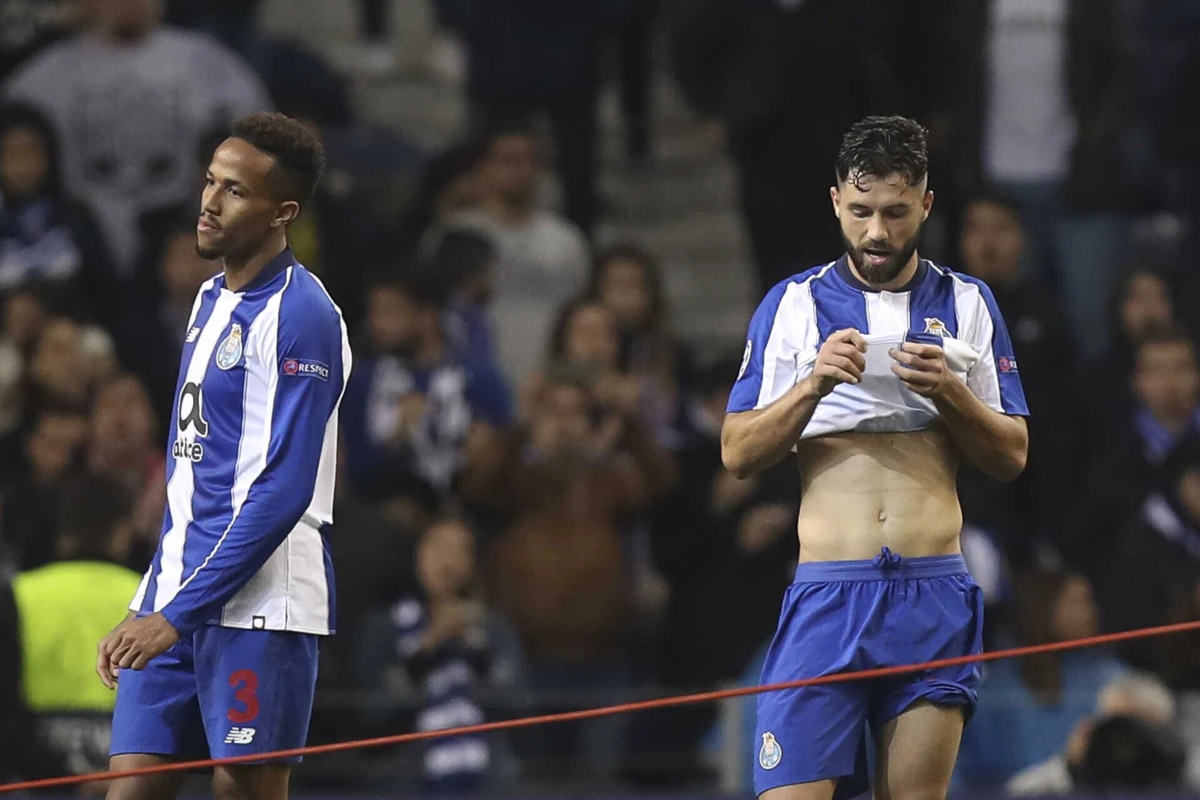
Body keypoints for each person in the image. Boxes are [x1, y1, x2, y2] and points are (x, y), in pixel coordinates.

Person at [720, 116, 1029, 800]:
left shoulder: (969, 303)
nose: (876, 233)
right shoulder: (793, 305)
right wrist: (814, 384)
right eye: (860, 212)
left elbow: (1011, 455)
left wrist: (951, 392)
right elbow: (738, 452)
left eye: (894, 212)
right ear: (836, 201)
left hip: (931, 594)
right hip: (829, 593)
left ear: (925, 203)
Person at [96, 111, 351, 800]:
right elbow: (196, 468)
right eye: (210, 181)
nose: (208, 202)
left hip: (260, 606)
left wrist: (173, 614)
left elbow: (282, 489)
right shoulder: (209, 297)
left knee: (238, 793)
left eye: (234, 190)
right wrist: (155, 594)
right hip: (174, 597)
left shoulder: (303, 316)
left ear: (283, 212)